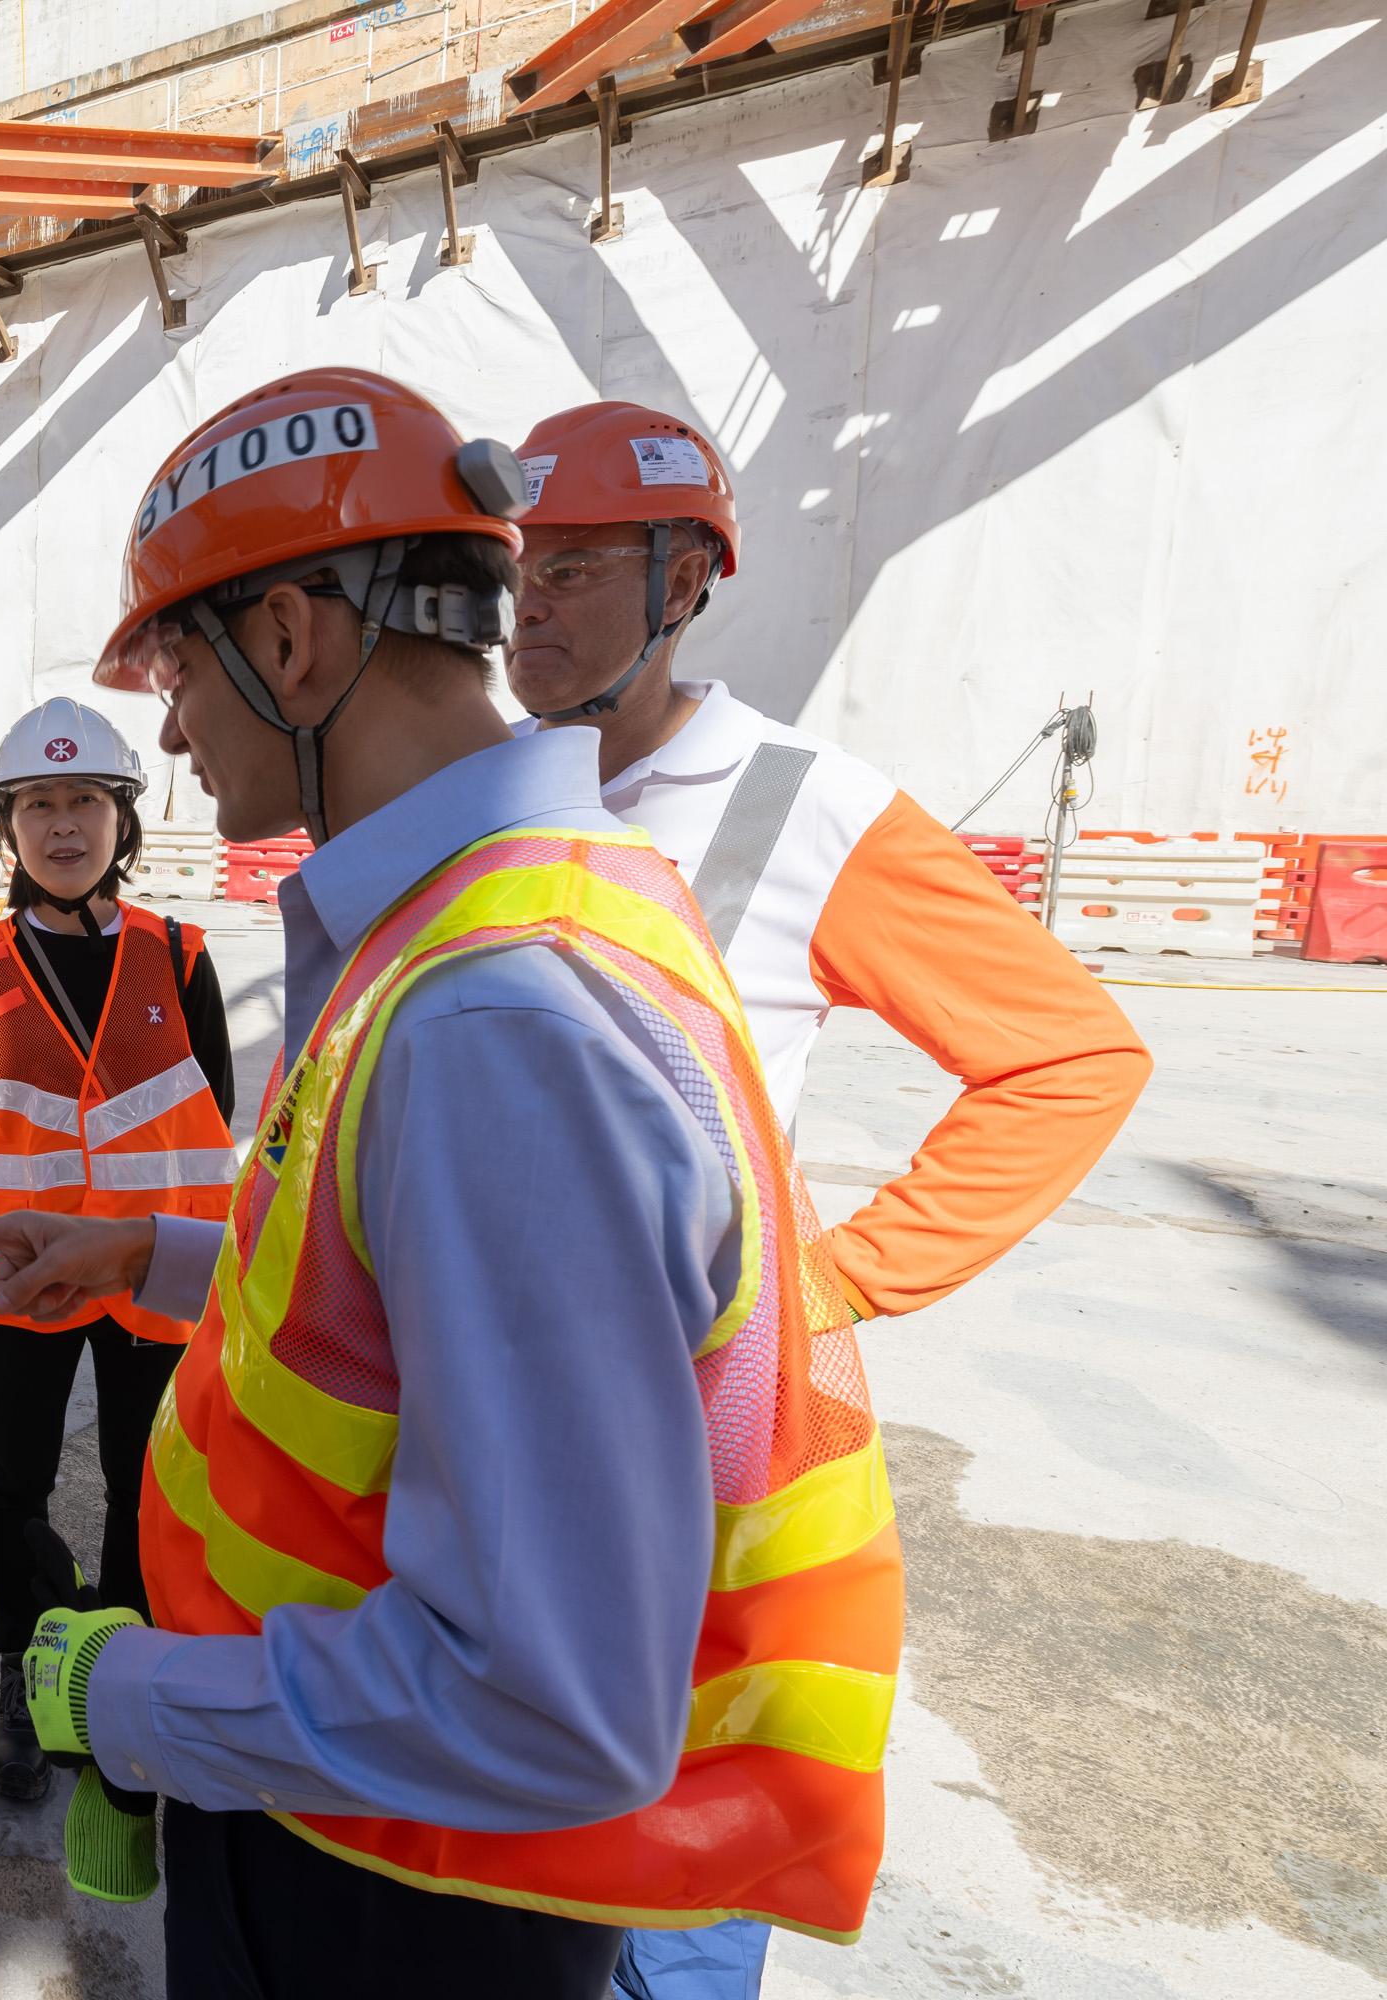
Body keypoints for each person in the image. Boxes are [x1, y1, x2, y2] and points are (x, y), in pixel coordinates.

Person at [0, 368, 902, 1999]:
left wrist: (134, 1698)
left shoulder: (494, 1020)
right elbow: (380, 1255)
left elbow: (542, 1701)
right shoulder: (499, 919)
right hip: (374, 1831)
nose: (167, 731)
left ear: (293, 640)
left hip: (397, 1884)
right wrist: (148, 1250)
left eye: (174, 667)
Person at [505, 399, 1148, 1998]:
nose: (532, 607)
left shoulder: (804, 808)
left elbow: (1069, 1057)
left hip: (703, 1437)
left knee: (682, 1865)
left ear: (685, 583)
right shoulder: (489, 788)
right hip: (502, 1410)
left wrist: (842, 1277)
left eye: (577, 570)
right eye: (513, 571)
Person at [0, 695, 236, 1803]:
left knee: (140, 1479)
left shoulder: (183, 957)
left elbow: (214, 1126)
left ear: (123, 821)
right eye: (40, 804)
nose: (65, 826)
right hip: (25, 1281)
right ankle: (24, 1670)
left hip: (152, 1273)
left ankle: (115, 1677)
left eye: (87, 802)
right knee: (18, 1477)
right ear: (8, 827)